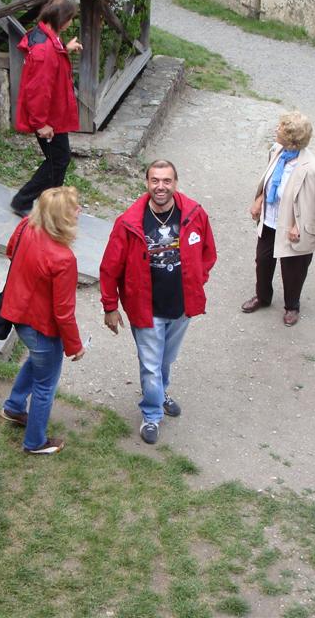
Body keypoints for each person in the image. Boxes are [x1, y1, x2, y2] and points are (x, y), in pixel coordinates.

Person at [100, 160, 217, 445]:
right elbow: (109, 267)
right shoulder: (128, 223)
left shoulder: (194, 214)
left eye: (166, 181)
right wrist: (110, 306)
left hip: (181, 307)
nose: (160, 187)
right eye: (155, 180)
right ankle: (151, 415)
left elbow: (208, 252)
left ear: (175, 183)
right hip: (146, 309)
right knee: (151, 366)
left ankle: (161, 392)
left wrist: (196, 280)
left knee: (166, 359)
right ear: (146, 183)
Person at [0, 187, 86, 455]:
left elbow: (10, 251)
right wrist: (75, 346)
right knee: (45, 385)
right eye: (74, 208)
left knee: (38, 363)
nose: (79, 211)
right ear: (61, 217)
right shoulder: (63, 258)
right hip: (41, 327)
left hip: (17, 314)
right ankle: (35, 442)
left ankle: (14, 407)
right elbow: (63, 312)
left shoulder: (26, 225)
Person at [241, 111, 315, 326]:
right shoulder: (277, 151)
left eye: (281, 128)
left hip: (291, 227)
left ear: (292, 138)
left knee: (293, 269)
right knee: (262, 261)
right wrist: (260, 199)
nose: (276, 129)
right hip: (271, 221)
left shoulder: (312, 169)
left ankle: (292, 306)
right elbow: (270, 180)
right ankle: (262, 297)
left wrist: (298, 225)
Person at [9, 0, 82, 217]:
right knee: (59, 160)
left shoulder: (46, 37)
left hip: (53, 116)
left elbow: (51, 59)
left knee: (58, 160)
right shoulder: (45, 50)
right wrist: (41, 124)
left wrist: (65, 49)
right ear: (63, 19)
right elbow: (38, 91)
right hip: (48, 118)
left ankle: (53, 206)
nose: (71, 23)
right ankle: (23, 200)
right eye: (70, 19)